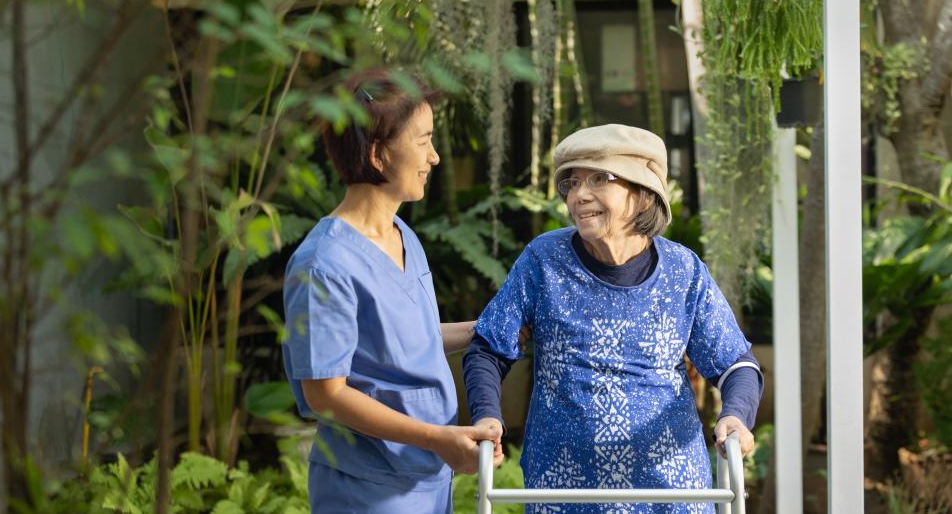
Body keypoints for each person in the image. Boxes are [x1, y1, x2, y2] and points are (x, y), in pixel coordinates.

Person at [463, 124, 764, 513]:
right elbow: (488, 347)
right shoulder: (543, 260)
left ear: (642, 193)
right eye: (571, 183)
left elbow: (736, 364)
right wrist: (488, 417)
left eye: (598, 179)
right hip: (564, 492)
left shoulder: (683, 271)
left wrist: (736, 417)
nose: (578, 195)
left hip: (670, 492)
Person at [282, 68, 501, 513]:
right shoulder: (324, 264)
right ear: (379, 155)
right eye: (423, 141)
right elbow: (326, 394)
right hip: (368, 489)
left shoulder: (403, 234)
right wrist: (438, 439)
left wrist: (487, 330)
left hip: (427, 478)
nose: (435, 157)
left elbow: (402, 340)